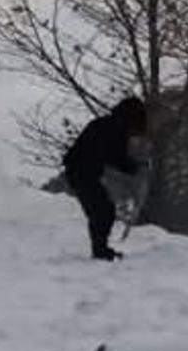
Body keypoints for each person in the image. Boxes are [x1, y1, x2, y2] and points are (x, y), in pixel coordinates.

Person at [62, 97, 148, 261]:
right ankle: (100, 251)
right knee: (102, 210)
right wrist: (134, 167)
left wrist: (134, 166)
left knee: (103, 210)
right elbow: (113, 157)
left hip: (88, 172)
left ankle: (100, 249)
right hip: (79, 171)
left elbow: (117, 158)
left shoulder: (115, 128)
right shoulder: (107, 128)